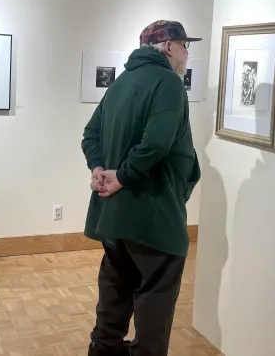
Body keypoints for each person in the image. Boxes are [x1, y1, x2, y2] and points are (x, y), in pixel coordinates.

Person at [82, 20, 202, 356]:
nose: (186, 53)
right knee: (155, 301)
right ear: (168, 46)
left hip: (114, 215)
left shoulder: (121, 82)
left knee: (115, 289)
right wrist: (122, 176)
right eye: (184, 45)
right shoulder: (169, 83)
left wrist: (98, 168)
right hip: (153, 215)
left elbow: (90, 134)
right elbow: (157, 143)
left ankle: (102, 350)